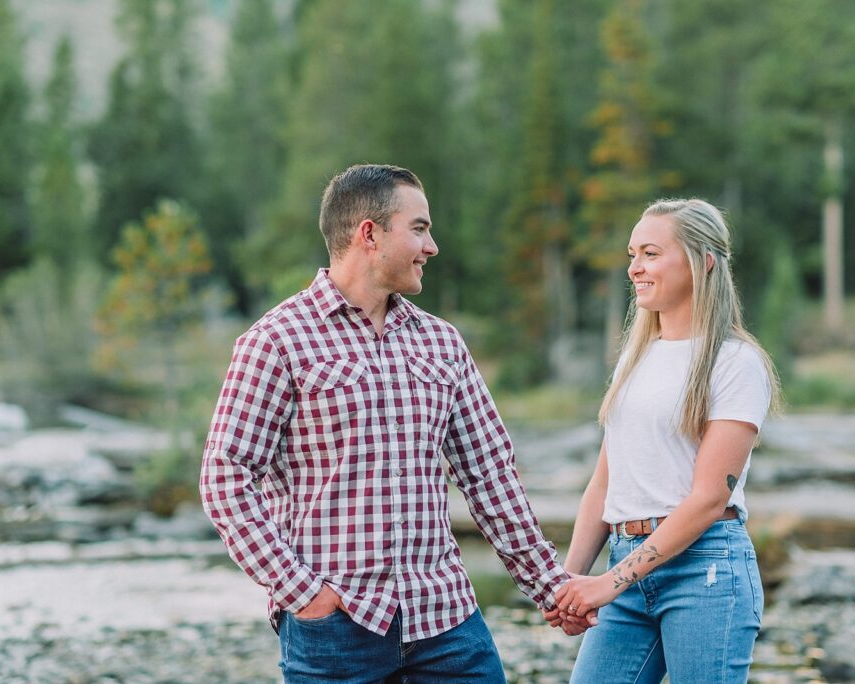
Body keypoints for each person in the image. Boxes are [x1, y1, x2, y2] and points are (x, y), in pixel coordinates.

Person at [199, 163, 590, 684]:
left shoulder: (442, 343)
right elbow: (225, 477)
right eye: (420, 229)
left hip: (446, 621)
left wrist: (549, 585)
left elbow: (490, 475)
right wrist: (301, 593)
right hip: (336, 629)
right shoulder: (276, 341)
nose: (432, 247)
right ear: (369, 234)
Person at [550, 199, 780, 683]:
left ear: (703, 261)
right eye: (633, 254)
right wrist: (570, 581)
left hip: (706, 571)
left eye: (651, 253)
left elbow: (709, 497)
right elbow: (605, 483)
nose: (634, 268)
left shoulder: (736, 363)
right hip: (624, 569)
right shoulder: (636, 360)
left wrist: (607, 584)